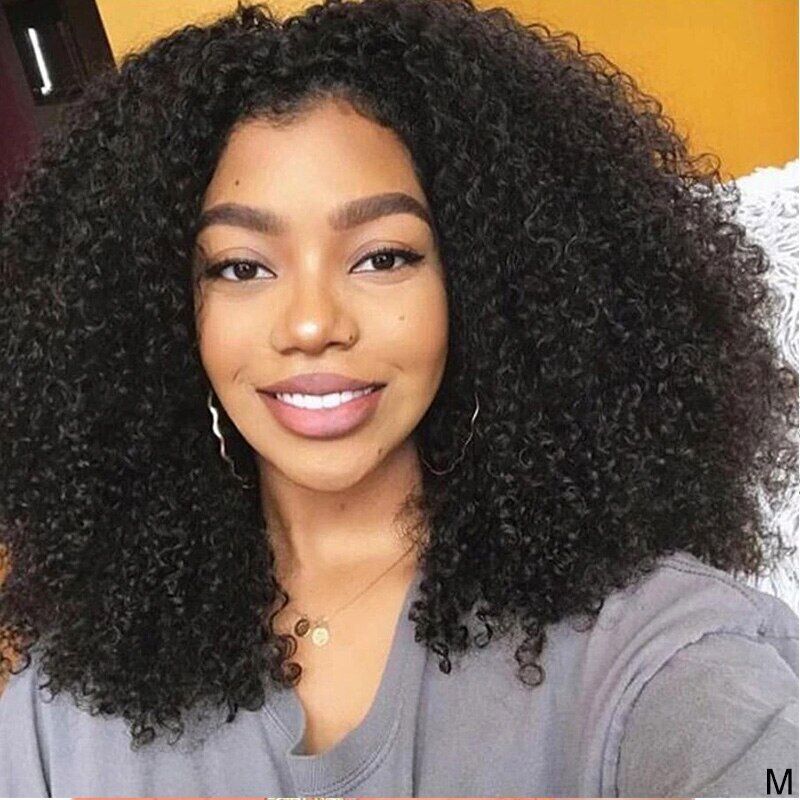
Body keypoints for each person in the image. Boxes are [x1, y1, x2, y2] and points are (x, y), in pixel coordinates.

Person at [0, 0, 797, 796]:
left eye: (382, 257)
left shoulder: (660, 654)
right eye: (242, 267)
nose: (312, 324)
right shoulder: (59, 713)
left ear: (481, 287)